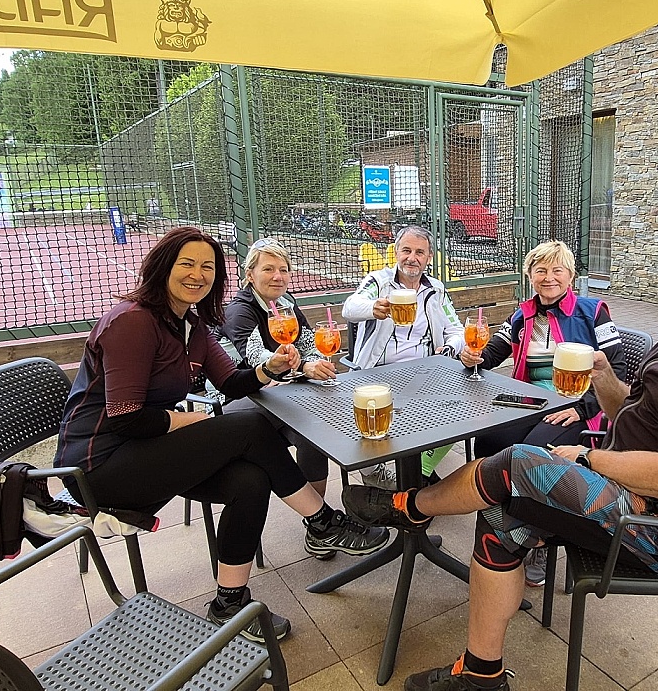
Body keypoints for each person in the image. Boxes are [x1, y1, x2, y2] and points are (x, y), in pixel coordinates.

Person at [341, 244, 658, 691]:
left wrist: (589, 456)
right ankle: (482, 674)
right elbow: (625, 414)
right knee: (500, 512)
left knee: (519, 461)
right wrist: (604, 376)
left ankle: (410, 507)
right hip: (623, 488)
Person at [55, 226, 389, 644]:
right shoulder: (132, 321)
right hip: (98, 466)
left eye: (208, 267)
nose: (198, 274)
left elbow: (231, 382)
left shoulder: (191, 324)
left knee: (250, 480)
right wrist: (194, 421)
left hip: (148, 450)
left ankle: (228, 602)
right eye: (187, 264)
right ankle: (322, 521)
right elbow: (125, 418)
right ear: (162, 267)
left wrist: (270, 369)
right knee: (251, 425)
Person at [460, 240, 627, 586]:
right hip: (531, 403)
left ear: (570, 276)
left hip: (575, 408)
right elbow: (493, 352)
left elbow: (618, 369)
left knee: (534, 456)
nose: (549, 277)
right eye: (540, 271)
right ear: (530, 276)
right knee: (488, 441)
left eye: (557, 270)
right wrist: (473, 356)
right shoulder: (523, 315)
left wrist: (583, 408)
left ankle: (537, 537)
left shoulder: (593, 312)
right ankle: (500, 520)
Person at [218, 239, 338, 552]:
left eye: (283, 270)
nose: (278, 276)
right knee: (307, 418)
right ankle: (323, 519)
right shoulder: (239, 310)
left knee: (313, 434)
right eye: (268, 269)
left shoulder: (286, 303)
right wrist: (301, 368)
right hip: (237, 400)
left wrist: (315, 363)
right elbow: (255, 357)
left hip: (278, 396)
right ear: (250, 275)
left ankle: (318, 526)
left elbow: (308, 342)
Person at [342, 225, 465, 488]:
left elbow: (456, 330)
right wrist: (372, 307)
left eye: (420, 252)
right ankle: (375, 474)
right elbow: (350, 307)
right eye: (406, 250)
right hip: (378, 373)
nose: (412, 258)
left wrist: (449, 349)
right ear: (396, 252)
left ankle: (419, 470)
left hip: (425, 373)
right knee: (367, 421)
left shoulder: (435, 289)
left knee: (461, 409)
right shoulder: (379, 282)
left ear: (429, 257)